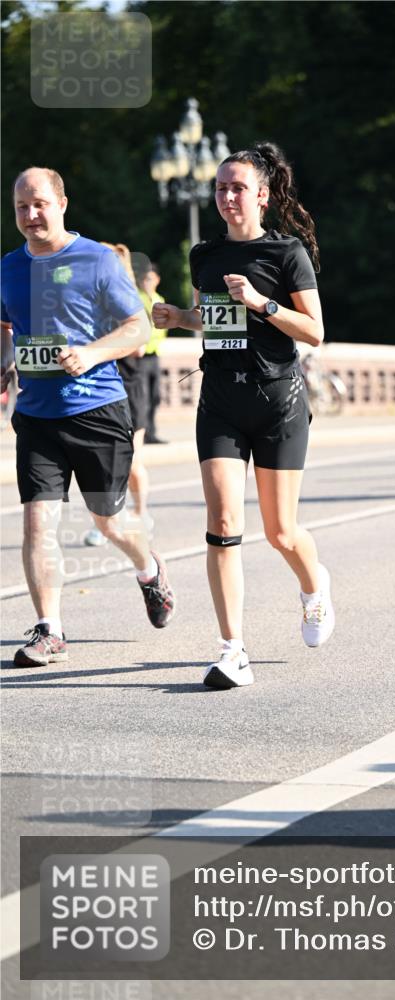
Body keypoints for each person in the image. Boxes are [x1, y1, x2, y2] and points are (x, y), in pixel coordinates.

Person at [153, 141, 334, 690]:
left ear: (261, 195)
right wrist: (179, 316)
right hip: (220, 402)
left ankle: (314, 588)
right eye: (220, 187)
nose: (228, 196)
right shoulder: (204, 255)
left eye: (238, 188)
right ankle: (232, 651)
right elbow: (215, 321)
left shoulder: (286, 255)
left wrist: (263, 303)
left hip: (278, 399)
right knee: (224, 526)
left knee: (281, 533)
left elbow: (316, 333)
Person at [0, 167, 175, 667]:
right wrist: (3, 365)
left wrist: (93, 353)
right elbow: (4, 324)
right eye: (20, 207)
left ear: (61, 203)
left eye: (39, 204)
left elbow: (137, 327)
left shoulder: (96, 260)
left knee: (109, 520)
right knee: (37, 522)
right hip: (35, 415)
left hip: (96, 410)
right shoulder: (9, 267)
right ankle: (50, 630)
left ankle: (148, 568)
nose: (31, 215)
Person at [84, 243, 153, 546]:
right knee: (101, 462)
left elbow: (139, 346)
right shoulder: (91, 298)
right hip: (102, 389)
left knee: (132, 460)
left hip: (130, 386)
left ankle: (141, 512)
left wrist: (110, 336)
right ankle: (106, 523)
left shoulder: (129, 299)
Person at [137, 263, 168, 444]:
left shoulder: (159, 298)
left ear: (157, 280)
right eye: (143, 279)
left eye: (149, 279)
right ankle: (142, 433)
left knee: (155, 395)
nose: (146, 283)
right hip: (141, 355)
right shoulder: (137, 298)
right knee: (144, 396)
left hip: (155, 353)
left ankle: (151, 432)